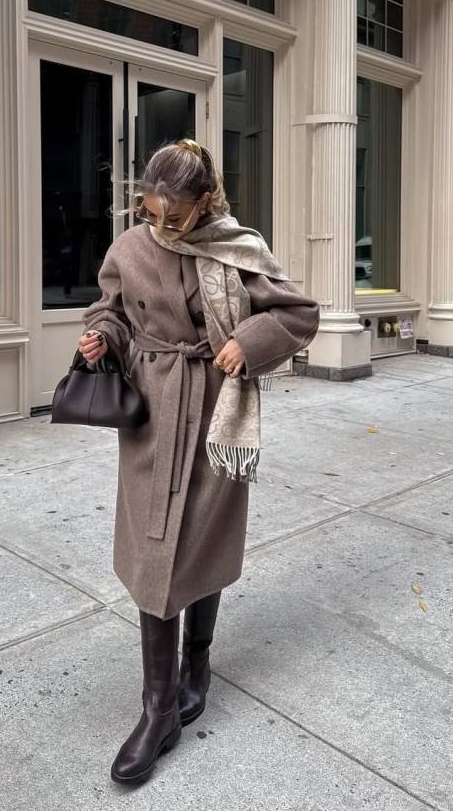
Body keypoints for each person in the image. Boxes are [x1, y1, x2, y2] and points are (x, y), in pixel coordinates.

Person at [77, 139, 320, 785]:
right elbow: (114, 309)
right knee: (157, 554)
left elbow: (299, 313)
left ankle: (197, 667)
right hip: (152, 414)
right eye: (151, 210)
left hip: (217, 410)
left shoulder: (237, 248)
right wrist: (103, 333)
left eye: (175, 214)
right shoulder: (129, 248)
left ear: (205, 201)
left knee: (202, 542)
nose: (161, 224)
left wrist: (246, 340)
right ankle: (158, 710)